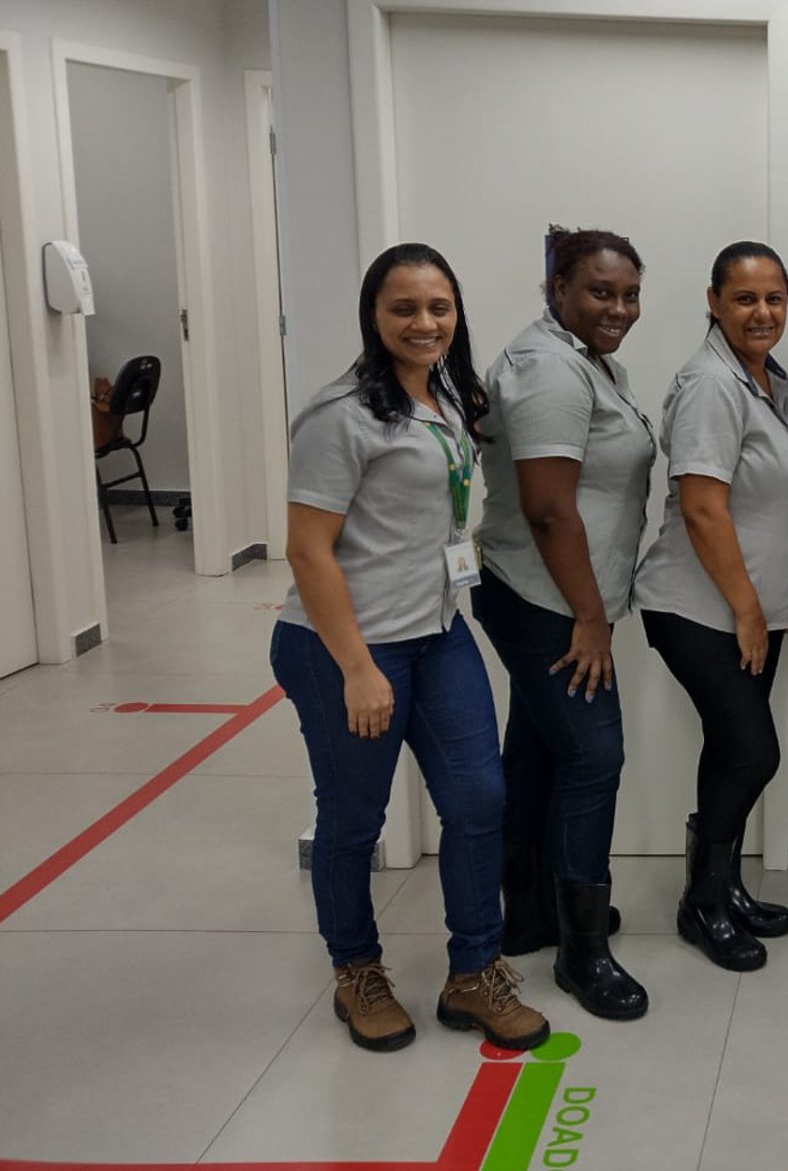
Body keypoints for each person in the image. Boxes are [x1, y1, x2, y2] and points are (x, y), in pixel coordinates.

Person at [271, 243, 548, 1054]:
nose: (424, 322)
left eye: (439, 307)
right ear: (374, 315)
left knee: (479, 799)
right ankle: (356, 969)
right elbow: (307, 549)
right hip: (347, 646)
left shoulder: (447, 395)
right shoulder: (341, 415)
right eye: (404, 308)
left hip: (437, 630)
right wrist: (357, 668)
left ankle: (474, 973)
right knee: (354, 817)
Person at [473, 228, 655, 1021]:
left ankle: (531, 911)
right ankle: (583, 953)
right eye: (600, 291)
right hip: (546, 600)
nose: (619, 308)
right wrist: (590, 616)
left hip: (551, 594)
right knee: (592, 758)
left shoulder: (585, 359)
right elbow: (549, 508)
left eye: (629, 294)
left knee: (540, 748)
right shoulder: (549, 368)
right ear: (558, 290)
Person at [634, 242, 788, 972]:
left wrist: (776, 596)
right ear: (713, 302)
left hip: (752, 606)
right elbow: (704, 508)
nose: (762, 312)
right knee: (753, 750)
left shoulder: (767, 377)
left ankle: (722, 887)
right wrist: (747, 608)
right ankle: (702, 903)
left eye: (773, 298)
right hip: (701, 609)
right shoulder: (712, 384)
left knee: (730, 749)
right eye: (744, 298)